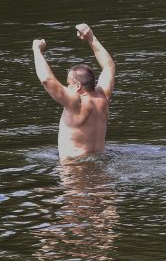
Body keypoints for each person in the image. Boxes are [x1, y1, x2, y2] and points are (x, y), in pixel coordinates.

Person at [33, 24, 115, 163]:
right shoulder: (103, 97)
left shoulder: (76, 102)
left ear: (77, 86)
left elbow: (46, 80)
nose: (66, 87)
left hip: (74, 167)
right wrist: (91, 38)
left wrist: (36, 50)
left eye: (68, 83)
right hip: (101, 164)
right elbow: (109, 66)